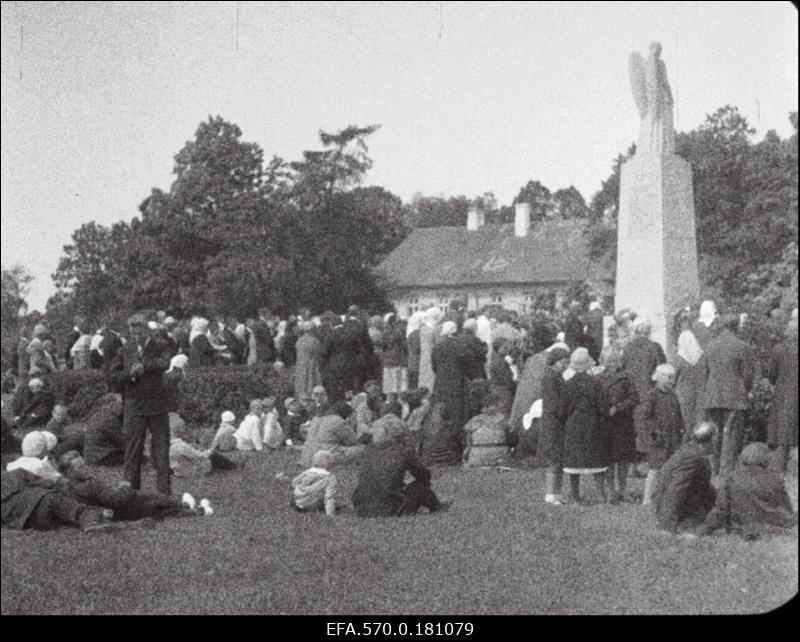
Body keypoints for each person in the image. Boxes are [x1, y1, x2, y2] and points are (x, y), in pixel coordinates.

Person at [108, 314, 173, 496]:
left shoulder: (160, 345)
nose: (137, 337)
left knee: (161, 450)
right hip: (134, 406)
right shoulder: (125, 349)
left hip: (157, 405)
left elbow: (165, 363)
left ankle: (164, 493)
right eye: (134, 334)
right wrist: (130, 373)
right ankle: (131, 493)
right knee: (133, 450)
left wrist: (144, 366)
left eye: (140, 333)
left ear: (147, 331)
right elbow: (112, 375)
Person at [352, 414, 448, 517]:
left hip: (361, 508)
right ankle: (437, 506)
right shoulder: (403, 450)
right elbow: (424, 475)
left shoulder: (367, 450)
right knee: (420, 488)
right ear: (399, 433)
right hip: (392, 509)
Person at [700, 442, 797, 538]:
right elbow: (787, 510)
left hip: (741, 530)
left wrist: (704, 530)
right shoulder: (775, 480)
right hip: (773, 531)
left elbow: (720, 511)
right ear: (766, 459)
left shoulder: (731, 479)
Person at [699, 313, 755, 478]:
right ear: (736, 326)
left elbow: (703, 372)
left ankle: (713, 468)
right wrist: (746, 389)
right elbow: (748, 375)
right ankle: (726, 471)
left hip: (713, 395)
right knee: (731, 434)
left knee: (713, 434)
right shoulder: (742, 346)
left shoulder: (710, 346)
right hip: (734, 396)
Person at [1, 468, 119, 533]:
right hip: (42, 501)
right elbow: (46, 483)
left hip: (27, 521)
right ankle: (92, 518)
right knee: (64, 503)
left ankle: (97, 512)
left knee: (62, 512)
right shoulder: (16, 474)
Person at [561, 348, 609, 504]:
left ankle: (575, 495)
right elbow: (603, 406)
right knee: (597, 461)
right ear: (587, 363)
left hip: (573, 424)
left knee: (574, 462)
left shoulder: (568, 384)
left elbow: (563, 408)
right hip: (593, 424)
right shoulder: (596, 383)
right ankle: (601, 495)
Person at [653, 422, 718, 534]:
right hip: (678, 512)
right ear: (711, 441)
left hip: (683, 505)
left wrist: (722, 500)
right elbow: (675, 490)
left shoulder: (692, 451)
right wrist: (667, 526)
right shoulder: (691, 458)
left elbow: (703, 485)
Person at [594, 346, 639, 503]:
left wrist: (618, 408)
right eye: (608, 360)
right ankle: (611, 491)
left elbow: (635, 398)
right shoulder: (598, 378)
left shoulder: (627, 377)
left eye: (614, 360)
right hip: (605, 424)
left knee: (623, 459)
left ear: (619, 361)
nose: (611, 363)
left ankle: (623, 490)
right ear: (602, 361)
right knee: (609, 459)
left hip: (623, 423)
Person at [640, 364, 684, 506]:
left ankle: (665, 496)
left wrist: (681, 428)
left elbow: (678, 415)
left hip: (673, 437)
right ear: (660, 377)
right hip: (658, 438)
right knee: (654, 469)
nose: (672, 381)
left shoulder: (673, 395)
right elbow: (645, 416)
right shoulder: (652, 395)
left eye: (673, 378)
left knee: (671, 468)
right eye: (669, 378)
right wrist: (654, 431)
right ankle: (647, 498)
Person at [623, 319, 667, 457]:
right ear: (648, 331)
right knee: (650, 421)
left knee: (633, 421)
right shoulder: (654, 347)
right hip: (649, 389)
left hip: (631, 390)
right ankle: (650, 452)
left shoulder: (627, 348)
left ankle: (636, 453)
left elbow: (623, 367)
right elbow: (662, 369)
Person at [431, 321, 472, 446]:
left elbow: (434, 366)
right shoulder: (459, 344)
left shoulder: (438, 345)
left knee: (442, 408)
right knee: (457, 410)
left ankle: (441, 437)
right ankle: (455, 438)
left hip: (441, 381)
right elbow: (466, 363)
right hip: (457, 381)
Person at [539, 347, 571, 504]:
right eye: (562, 362)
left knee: (559, 460)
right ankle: (550, 493)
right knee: (554, 459)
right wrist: (566, 411)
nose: (565, 366)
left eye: (567, 363)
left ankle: (557, 493)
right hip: (553, 422)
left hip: (556, 421)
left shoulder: (556, 377)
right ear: (554, 361)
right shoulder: (551, 378)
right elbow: (554, 404)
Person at [765, 319, 798, 473]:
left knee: (782, 428)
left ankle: (780, 465)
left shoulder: (779, 349)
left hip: (784, 391)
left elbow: (772, 374)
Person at [462, 381, 512, 468]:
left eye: (491, 405)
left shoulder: (501, 418)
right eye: (486, 406)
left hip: (493, 451)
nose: (489, 409)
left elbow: (466, 428)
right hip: (484, 451)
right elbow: (466, 428)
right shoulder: (479, 419)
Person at [298, 402, 363, 468]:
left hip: (307, 459)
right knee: (360, 449)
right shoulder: (337, 420)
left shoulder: (315, 419)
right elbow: (352, 441)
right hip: (323, 458)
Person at [673, 322, 706, 434]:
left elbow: (673, 377)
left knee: (686, 420)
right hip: (700, 392)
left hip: (684, 393)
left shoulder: (679, 358)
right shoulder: (702, 357)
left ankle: (687, 440)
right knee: (699, 419)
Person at [291, 450, 338, 516]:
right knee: (326, 495)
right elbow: (330, 496)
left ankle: (299, 503)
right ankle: (319, 506)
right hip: (312, 505)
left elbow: (294, 482)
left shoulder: (307, 472)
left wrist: (301, 490)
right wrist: (330, 514)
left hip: (297, 502)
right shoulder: (330, 478)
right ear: (330, 464)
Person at [381, 313, 408, 401]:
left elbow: (383, 346)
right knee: (399, 383)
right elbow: (405, 346)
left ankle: (389, 401)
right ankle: (400, 400)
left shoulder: (385, 332)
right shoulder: (399, 332)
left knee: (389, 383)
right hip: (398, 359)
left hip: (387, 360)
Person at [294, 321, 323, 405]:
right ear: (312, 330)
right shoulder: (314, 340)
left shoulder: (299, 340)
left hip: (300, 365)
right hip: (311, 365)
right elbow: (318, 354)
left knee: (301, 384)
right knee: (311, 382)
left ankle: (301, 401)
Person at [418, 307, 442, 392]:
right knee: (432, 376)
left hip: (423, 355)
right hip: (432, 355)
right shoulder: (436, 329)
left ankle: (423, 392)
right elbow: (438, 344)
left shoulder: (423, 328)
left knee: (424, 376)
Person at [405, 311, 424, 389]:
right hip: (417, 362)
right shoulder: (418, 333)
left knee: (411, 383)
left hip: (411, 362)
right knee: (415, 383)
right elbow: (417, 349)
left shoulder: (411, 333)